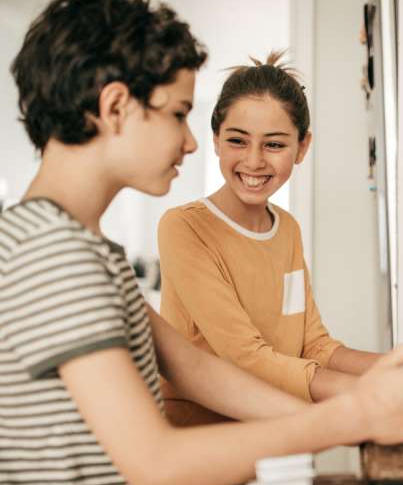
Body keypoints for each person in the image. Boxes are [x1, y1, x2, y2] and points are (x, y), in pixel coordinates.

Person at [0, 0, 403, 485]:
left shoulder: (81, 248)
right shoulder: (55, 257)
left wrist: (363, 404)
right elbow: (154, 464)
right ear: (114, 107)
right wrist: (353, 418)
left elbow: (197, 369)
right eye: (179, 114)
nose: (191, 142)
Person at [157, 52, 385, 410]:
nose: (254, 160)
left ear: (302, 147)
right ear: (216, 139)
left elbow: (314, 346)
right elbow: (244, 357)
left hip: (277, 421)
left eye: (275, 144)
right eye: (237, 141)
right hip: (202, 434)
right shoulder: (184, 228)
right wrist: (367, 395)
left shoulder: (287, 230)